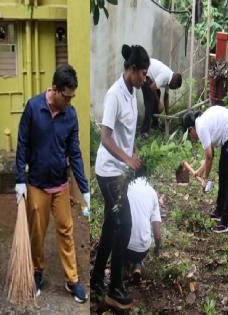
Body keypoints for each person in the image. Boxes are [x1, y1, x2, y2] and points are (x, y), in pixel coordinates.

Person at [15, 64, 90, 303]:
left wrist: (85, 189)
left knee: (66, 231)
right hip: (36, 184)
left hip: (60, 185)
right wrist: (19, 180)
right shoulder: (33, 108)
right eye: (66, 97)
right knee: (37, 232)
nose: (69, 102)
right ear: (55, 90)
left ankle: (72, 279)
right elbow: (22, 145)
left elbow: (75, 153)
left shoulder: (71, 115)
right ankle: (37, 272)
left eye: (72, 97)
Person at [92, 44, 149, 310]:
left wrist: (133, 152)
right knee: (123, 225)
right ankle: (114, 287)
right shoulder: (115, 94)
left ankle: (96, 279)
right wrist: (126, 158)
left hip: (122, 170)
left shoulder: (132, 92)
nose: (144, 79)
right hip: (109, 171)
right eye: (143, 74)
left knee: (110, 225)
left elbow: (128, 133)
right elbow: (105, 136)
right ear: (132, 70)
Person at [183, 106, 228, 233]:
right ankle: (219, 211)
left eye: (189, 135)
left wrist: (205, 179)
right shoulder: (201, 122)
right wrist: (199, 171)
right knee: (223, 174)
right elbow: (211, 154)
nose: (192, 138)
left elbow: (209, 157)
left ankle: (225, 222)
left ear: (191, 129)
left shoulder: (201, 126)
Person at [124, 169, 161, 282]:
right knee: (140, 248)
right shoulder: (152, 192)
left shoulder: (126, 187)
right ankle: (138, 265)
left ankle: (124, 267)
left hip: (124, 246)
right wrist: (157, 247)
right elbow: (157, 230)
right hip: (142, 250)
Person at [141, 58, 182, 137]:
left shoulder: (170, 79)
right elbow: (152, 87)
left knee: (158, 93)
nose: (174, 89)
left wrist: (167, 115)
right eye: (175, 88)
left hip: (150, 78)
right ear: (174, 83)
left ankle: (155, 125)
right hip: (144, 73)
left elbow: (166, 97)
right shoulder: (166, 75)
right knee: (150, 101)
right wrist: (159, 103)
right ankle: (144, 131)